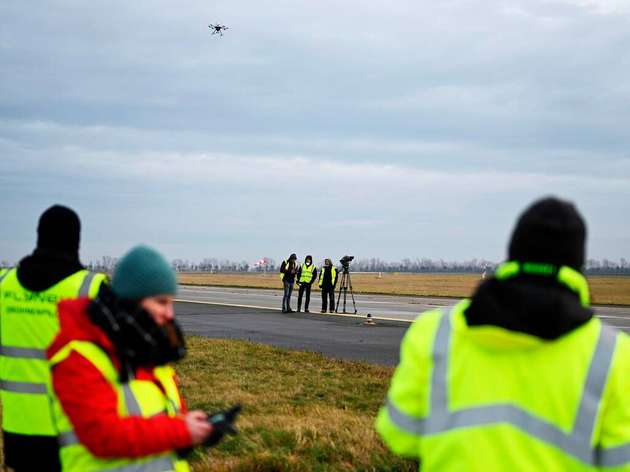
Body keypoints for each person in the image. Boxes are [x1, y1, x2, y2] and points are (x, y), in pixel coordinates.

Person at [376, 197, 630, 470]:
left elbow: (398, 435)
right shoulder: (614, 354)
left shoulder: (435, 331)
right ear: (578, 263)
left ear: (514, 251)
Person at [47, 245, 238, 472]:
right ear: (131, 300)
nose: (170, 314)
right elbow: (102, 436)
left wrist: (198, 429)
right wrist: (182, 431)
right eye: (161, 302)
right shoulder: (80, 359)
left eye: (171, 303)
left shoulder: (147, 353)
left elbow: (163, 422)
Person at [0, 205, 106, 472]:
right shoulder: (91, 289)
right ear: (76, 241)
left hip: (18, 432)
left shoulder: (4, 286)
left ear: (38, 236)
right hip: (74, 431)